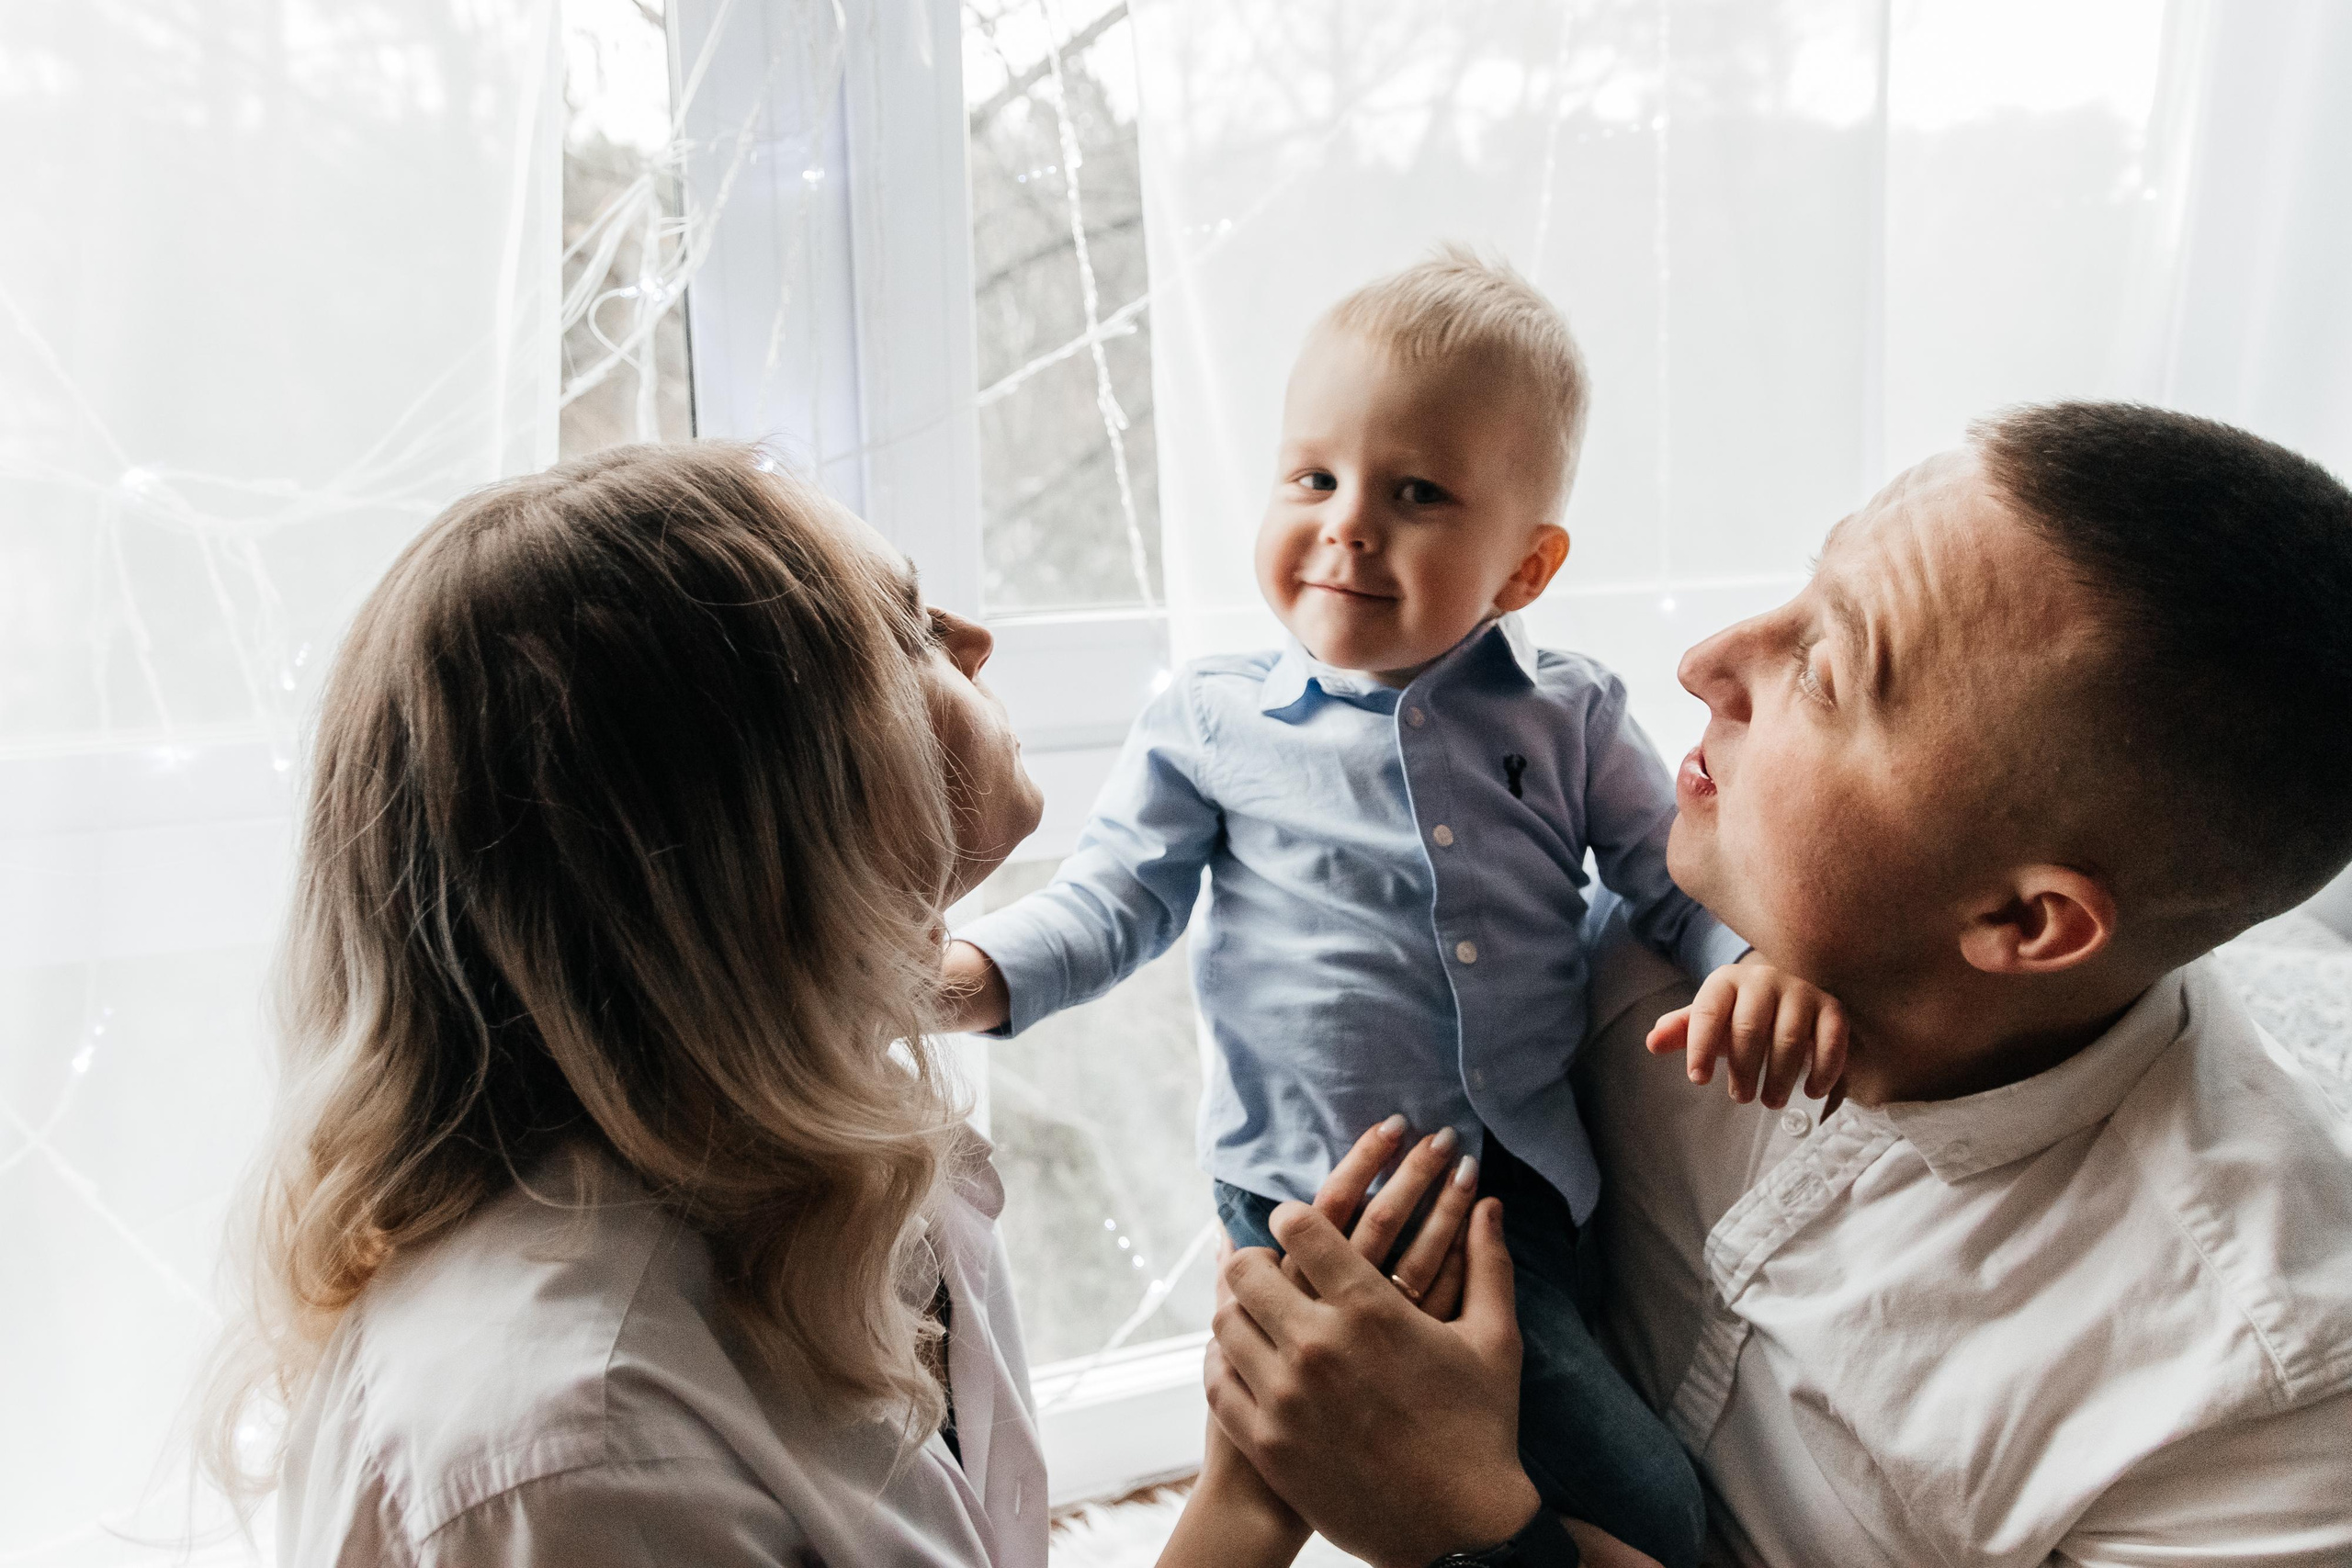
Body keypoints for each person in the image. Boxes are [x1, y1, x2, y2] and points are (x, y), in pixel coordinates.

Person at [196, 443, 1623, 1568]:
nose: (982, 637)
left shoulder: (862, 1181)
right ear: (761, 796)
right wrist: (1460, 1527)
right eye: (905, 627)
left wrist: (1252, 1487)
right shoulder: (586, 1452)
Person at [1207, 402, 2352, 1566]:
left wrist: (1472, 1532)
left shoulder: (2259, 1404)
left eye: (1826, 670)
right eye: (1802, 585)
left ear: (2021, 920)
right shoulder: (1633, 914)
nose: (1705, 663)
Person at [938, 248, 1842, 1568]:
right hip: (1295, 1190)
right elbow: (1116, 897)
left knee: (1645, 1505)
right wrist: (973, 971)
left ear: (1525, 568)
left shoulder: (1571, 712)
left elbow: (1670, 875)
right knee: (1254, 1487)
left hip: (1508, 1202)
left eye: (1416, 492)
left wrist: (1754, 960)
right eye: (1313, 478)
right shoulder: (1211, 717)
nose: (1349, 522)